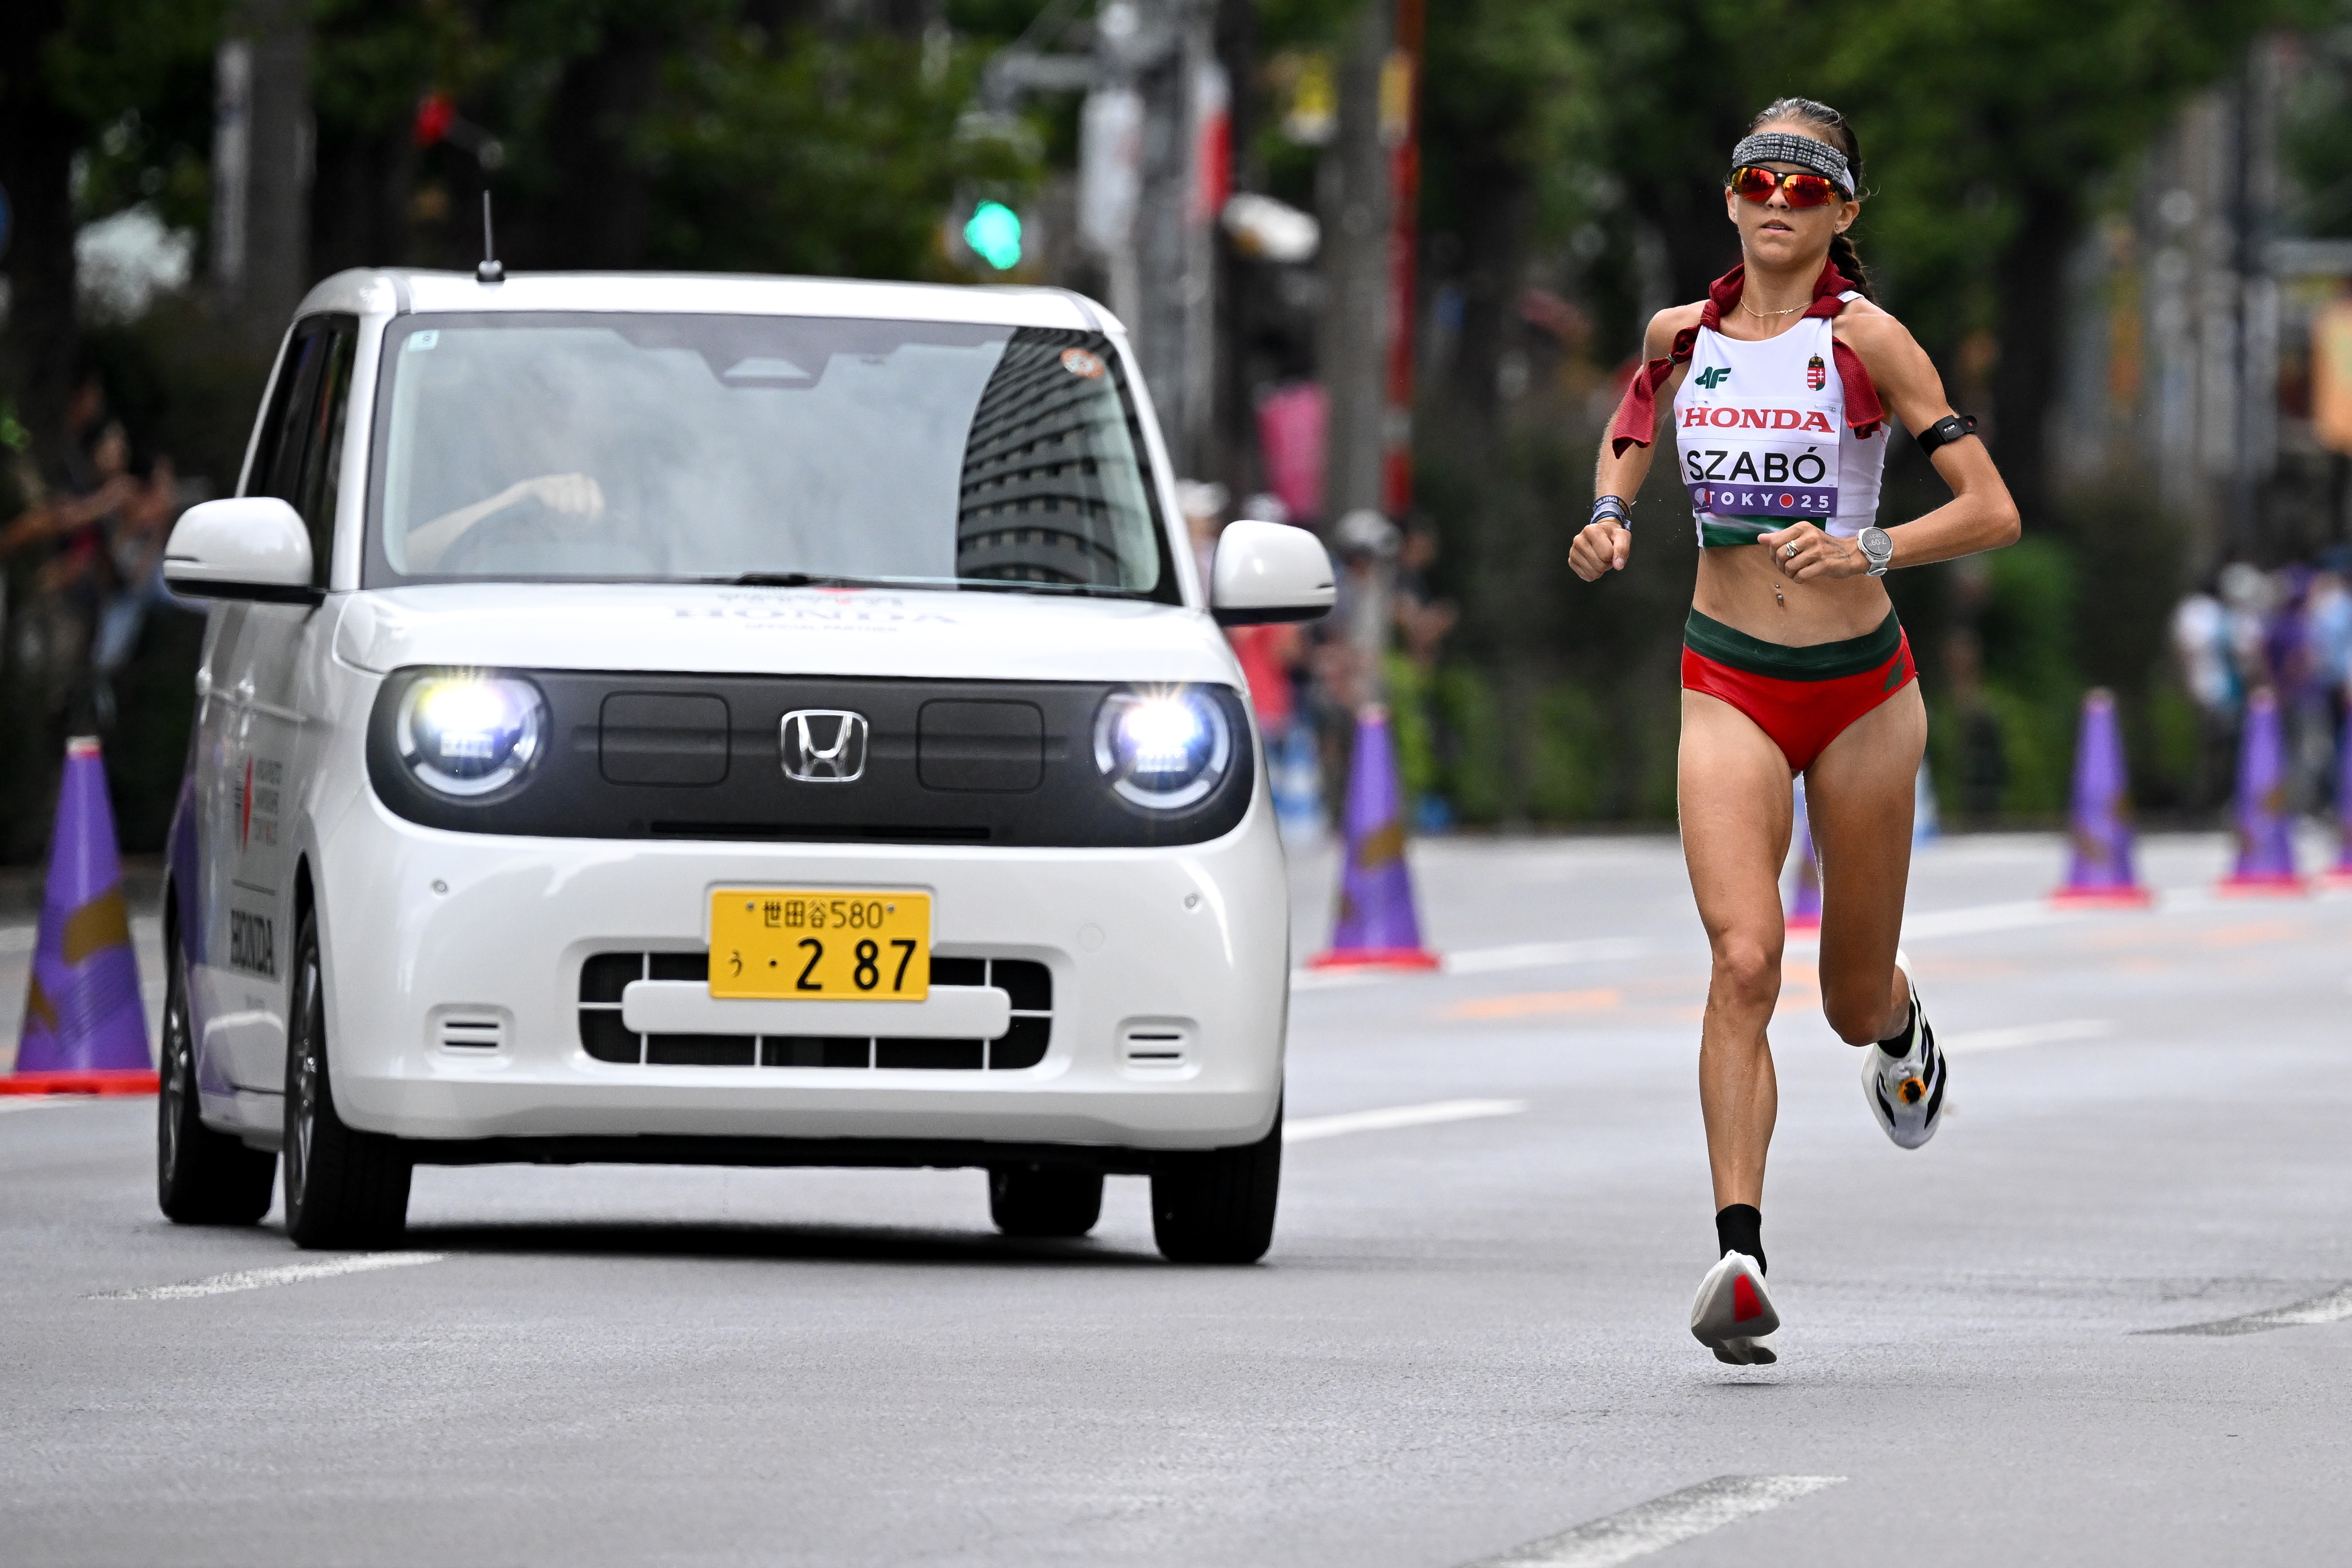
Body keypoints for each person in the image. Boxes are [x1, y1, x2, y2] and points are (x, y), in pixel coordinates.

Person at [1568, 98, 2020, 1365]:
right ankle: (1738, 1255)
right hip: (1726, 682)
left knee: (1840, 993)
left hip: (1862, 690)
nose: (1779, 199)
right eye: (1758, 178)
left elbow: (1989, 509)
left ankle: (1896, 1023)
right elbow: (1633, 416)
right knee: (1742, 958)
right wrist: (1610, 512)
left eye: (1807, 186)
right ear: (1729, 199)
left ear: (1841, 214)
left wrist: (1870, 542)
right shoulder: (1682, 331)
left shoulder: (1867, 341)